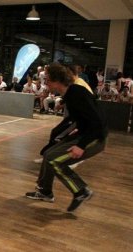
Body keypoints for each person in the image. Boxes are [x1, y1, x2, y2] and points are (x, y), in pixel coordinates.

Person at [25, 63, 108, 212]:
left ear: (57, 81)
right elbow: (77, 119)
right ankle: (45, 191)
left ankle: (81, 191)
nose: (46, 83)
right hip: (85, 133)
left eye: (48, 80)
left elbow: (97, 123)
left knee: (54, 161)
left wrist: (81, 145)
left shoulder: (77, 92)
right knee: (48, 154)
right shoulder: (70, 94)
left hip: (95, 137)